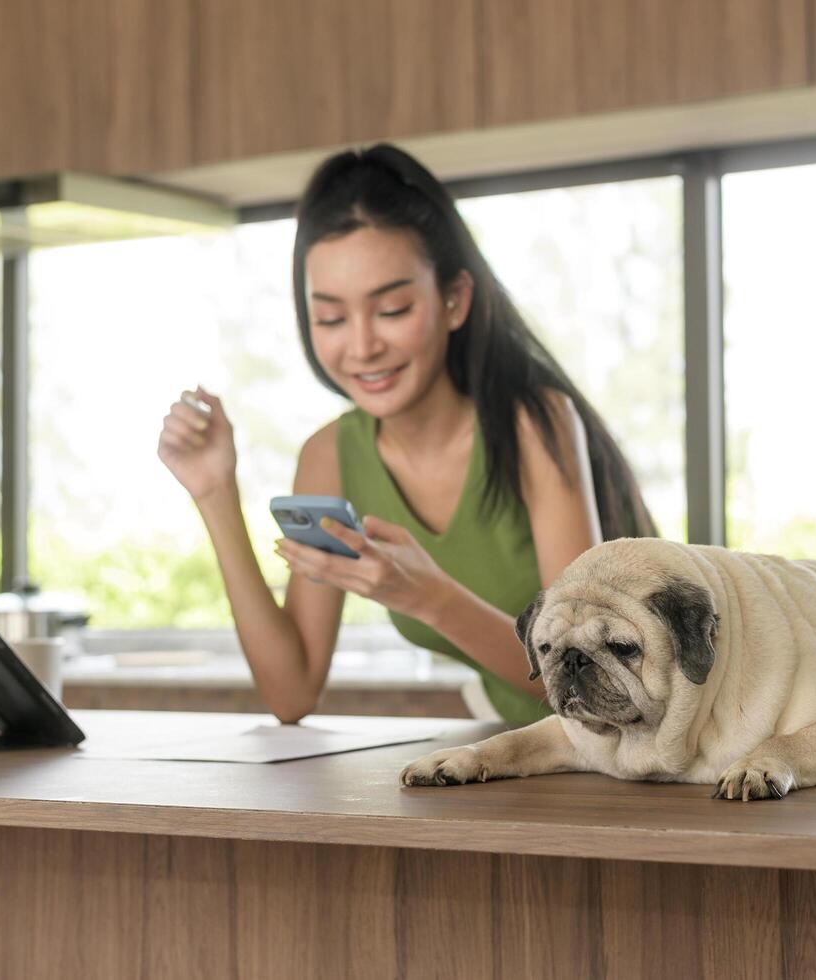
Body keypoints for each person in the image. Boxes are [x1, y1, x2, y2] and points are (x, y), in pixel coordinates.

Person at [157, 144, 656, 725]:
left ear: (454, 300)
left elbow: (590, 677)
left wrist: (427, 596)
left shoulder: (534, 423)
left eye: (391, 309)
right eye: (332, 318)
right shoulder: (330, 455)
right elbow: (291, 693)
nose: (363, 346)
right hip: (527, 753)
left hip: (645, 750)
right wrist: (215, 494)